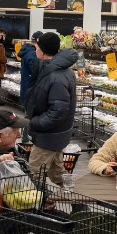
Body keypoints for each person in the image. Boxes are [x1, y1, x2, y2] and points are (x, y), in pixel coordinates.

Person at [24, 32, 77, 185]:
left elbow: (57, 111)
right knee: (58, 173)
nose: (35, 50)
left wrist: (35, 122)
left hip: (48, 135)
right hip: (55, 134)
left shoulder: (58, 76)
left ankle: (38, 206)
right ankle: (76, 203)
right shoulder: (52, 69)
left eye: (37, 47)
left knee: (34, 176)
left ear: (42, 50)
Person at [18, 31, 43, 104]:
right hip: (30, 82)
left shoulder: (26, 49)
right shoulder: (32, 53)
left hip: (26, 80)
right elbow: (34, 69)